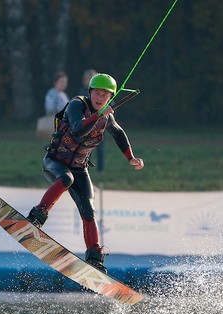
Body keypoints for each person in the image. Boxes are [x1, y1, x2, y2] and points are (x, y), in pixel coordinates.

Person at [27, 73, 144, 273]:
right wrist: (99, 115)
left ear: (109, 98)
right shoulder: (76, 105)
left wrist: (130, 157)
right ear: (90, 92)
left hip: (80, 168)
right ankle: (37, 216)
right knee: (66, 179)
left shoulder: (107, 116)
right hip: (55, 162)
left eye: (105, 95)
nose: (100, 98)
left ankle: (94, 257)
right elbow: (77, 130)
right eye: (97, 93)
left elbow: (119, 134)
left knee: (88, 210)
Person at [78, 69, 106, 172]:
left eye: (89, 79)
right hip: (87, 124)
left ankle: (100, 169)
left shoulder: (102, 92)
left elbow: (111, 105)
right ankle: (85, 168)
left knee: (100, 147)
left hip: (100, 125)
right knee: (85, 148)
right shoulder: (82, 92)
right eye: (85, 79)